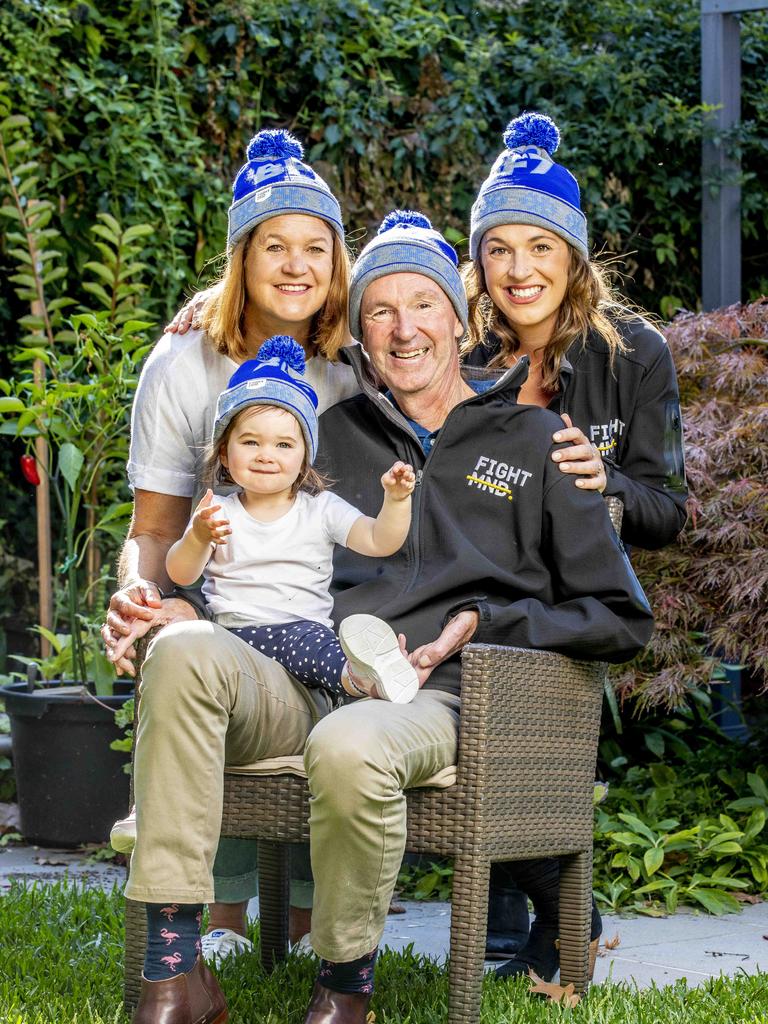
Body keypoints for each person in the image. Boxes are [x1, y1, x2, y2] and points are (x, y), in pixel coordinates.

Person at [301, 210, 654, 1021]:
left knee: (351, 744)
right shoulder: (329, 438)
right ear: (360, 337)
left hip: (464, 694)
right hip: (333, 672)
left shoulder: (536, 441)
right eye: (379, 312)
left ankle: (342, 989)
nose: (402, 329)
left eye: (422, 304)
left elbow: (619, 617)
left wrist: (483, 625)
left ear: (459, 322)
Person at [102, 127, 361, 960]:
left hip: (338, 609)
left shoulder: (356, 362)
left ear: (336, 263)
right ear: (240, 258)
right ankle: (208, 931)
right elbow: (152, 528)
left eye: (314, 248)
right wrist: (139, 600)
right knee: (195, 644)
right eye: (273, 246)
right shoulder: (183, 364)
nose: (295, 265)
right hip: (223, 604)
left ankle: (306, 936)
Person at [460, 112, 688, 974]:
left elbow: (669, 507)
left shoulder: (638, 356)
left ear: (574, 255)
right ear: (478, 260)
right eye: (499, 249)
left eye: (540, 246)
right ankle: (545, 907)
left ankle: (544, 908)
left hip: (585, 602)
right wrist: (211, 313)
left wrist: (605, 492)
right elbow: (366, 316)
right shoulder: (464, 351)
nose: (519, 270)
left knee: (503, 685)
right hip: (482, 591)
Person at [165, 334, 419, 705]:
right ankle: (361, 675)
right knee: (200, 647)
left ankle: (365, 678)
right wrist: (198, 537)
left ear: (305, 457)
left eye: (284, 445)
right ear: (223, 452)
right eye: (250, 442)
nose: (266, 455)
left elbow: (381, 541)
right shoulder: (217, 514)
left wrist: (396, 501)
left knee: (319, 650)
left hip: (301, 635)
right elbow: (180, 574)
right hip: (232, 638)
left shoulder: (321, 510)